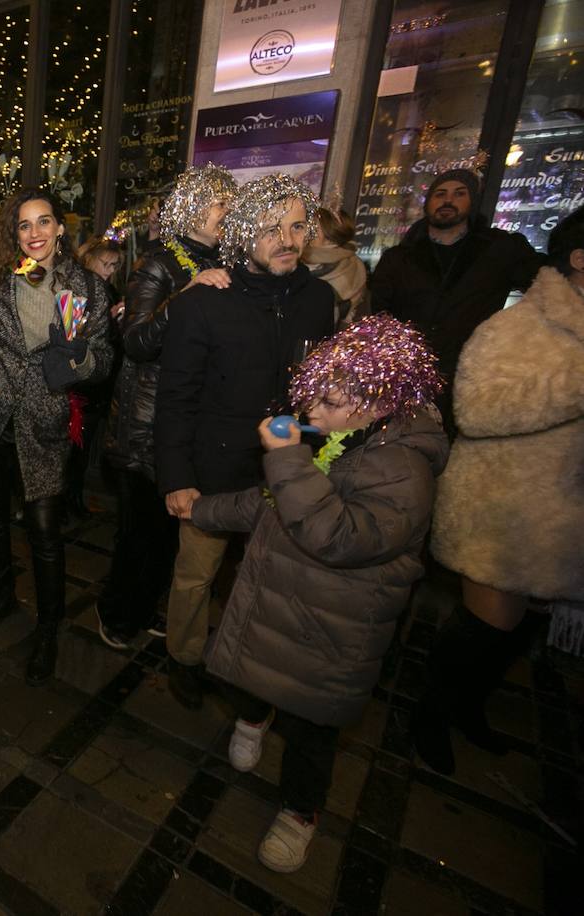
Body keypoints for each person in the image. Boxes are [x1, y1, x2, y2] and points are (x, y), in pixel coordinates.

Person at [184, 314, 446, 873]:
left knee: (309, 732)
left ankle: (300, 812)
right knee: (252, 677)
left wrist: (284, 456)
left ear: (378, 398)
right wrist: (201, 508)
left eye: (327, 401)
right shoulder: (347, 436)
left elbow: (338, 536)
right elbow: (272, 503)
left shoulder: (403, 470)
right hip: (279, 603)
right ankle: (253, 719)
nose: (310, 414)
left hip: (332, 629)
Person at [154, 174, 335, 709]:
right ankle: (183, 657)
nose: (287, 238)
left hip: (286, 472)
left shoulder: (320, 299)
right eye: (270, 227)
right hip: (213, 472)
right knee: (195, 578)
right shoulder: (206, 302)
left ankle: (246, 662)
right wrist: (177, 478)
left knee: (265, 580)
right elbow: (176, 399)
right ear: (241, 231)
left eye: (297, 226)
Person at [416, 207, 584, 776]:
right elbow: (477, 410)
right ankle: (428, 720)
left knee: (521, 629)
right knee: (483, 628)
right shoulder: (514, 327)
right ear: (580, 260)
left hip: (563, 516)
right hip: (502, 510)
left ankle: (467, 710)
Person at [0, 188, 113, 682]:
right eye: (24, 226)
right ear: (14, 233)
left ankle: (49, 628)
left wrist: (79, 361)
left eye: (43, 222)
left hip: (46, 422)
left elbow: (105, 358)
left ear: (60, 228)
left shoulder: (85, 287)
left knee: (46, 533)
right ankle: (4, 595)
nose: (34, 234)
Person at [99, 164, 234, 648]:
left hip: (192, 418)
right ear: (192, 209)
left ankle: (148, 603)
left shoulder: (226, 261)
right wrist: (185, 297)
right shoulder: (158, 264)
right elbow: (136, 342)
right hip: (146, 422)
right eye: (219, 202)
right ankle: (117, 611)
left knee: (172, 533)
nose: (227, 211)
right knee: (139, 533)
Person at [369, 168, 541, 432]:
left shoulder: (498, 250)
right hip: (409, 376)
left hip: (472, 373)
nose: (448, 201)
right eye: (440, 194)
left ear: (472, 202)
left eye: (459, 194)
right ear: (429, 204)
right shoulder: (400, 258)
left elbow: (546, 286)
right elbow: (379, 314)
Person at [63, 235, 124, 518]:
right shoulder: (79, 288)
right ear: (89, 259)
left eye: (115, 265)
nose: (110, 270)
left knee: (81, 452)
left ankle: (73, 500)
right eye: (105, 263)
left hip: (96, 385)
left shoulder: (107, 290)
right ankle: (64, 504)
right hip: (77, 386)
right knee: (71, 452)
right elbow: (70, 336)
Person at [302, 207, 367, 329]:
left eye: (313, 227)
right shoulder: (294, 261)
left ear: (329, 235)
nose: (306, 231)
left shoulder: (354, 267)